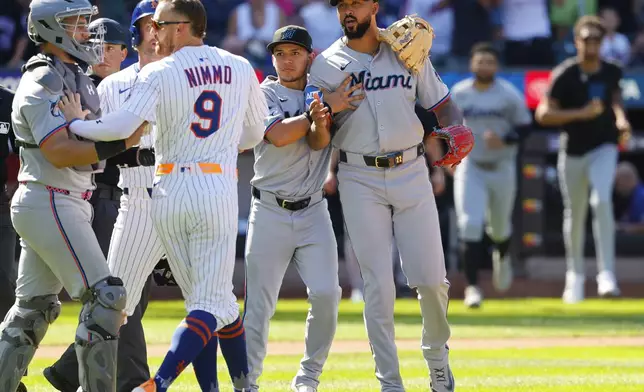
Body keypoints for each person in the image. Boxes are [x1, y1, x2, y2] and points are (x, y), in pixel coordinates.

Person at [56, 0, 268, 390]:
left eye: (162, 25)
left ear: (184, 27)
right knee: (210, 303)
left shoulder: (163, 71)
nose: (155, 32)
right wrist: (219, 146)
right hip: (211, 186)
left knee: (210, 303)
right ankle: (159, 383)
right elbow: (255, 134)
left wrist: (77, 125)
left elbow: (120, 125)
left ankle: (233, 387)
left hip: (168, 188)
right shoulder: (239, 66)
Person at [305, 0, 462, 390]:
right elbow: (318, 137)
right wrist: (322, 115)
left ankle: (437, 358)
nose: (348, 11)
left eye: (356, 2)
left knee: (430, 279)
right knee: (377, 285)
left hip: (410, 169)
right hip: (359, 175)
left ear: (374, 5)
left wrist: (455, 131)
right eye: (342, 5)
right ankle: (389, 381)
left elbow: (443, 105)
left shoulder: (406, 48)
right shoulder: (324, 64)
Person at [0, 0, 146, 390]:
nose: (87, 30)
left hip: (62, 199)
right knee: (107, 297)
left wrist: (90, 128)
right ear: (51, 28)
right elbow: (60, 151)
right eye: (77, 23)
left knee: (33, 309)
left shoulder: (72, 76)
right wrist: (118, 143)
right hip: (50, 196)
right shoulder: (42, 81)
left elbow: (85, 137)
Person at [42, 13, 156, 392]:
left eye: (109, 46)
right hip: (95, 199)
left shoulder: (134, 87)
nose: (101, 53)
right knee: (122, 295)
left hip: (132, 200)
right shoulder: (79, 86)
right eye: (94, 45)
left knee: (126, 295)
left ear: (126, 51)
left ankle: (67, 371)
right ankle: (133, 381)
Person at [243, 25, 341, 392]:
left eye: (294, 52)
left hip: (314, 209)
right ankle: (247, 382)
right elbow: (279, 135)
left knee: (327, 295)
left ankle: (308, 377)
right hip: (268, 209)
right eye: (280, 53)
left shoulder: (319, 91)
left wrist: (322, 114)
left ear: (309, 57)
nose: (286, 60)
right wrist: (326, 108)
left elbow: (319, 143)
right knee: (259, 306)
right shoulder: (263, 90)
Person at [535, 15, 631, 303]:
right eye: (586, 39)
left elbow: (615, 101)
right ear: (576, 41)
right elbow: (543, 114)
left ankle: (607, 275)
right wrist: (580, 114)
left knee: (601, 201)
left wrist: (622, 120)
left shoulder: (612, 70)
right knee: (574, 214)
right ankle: (574, 276)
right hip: (573, 150)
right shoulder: (565, 74)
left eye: (596, 39)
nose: (591, 44)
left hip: (604, 146)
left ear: (603, 42)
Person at [450, 42, 532, 308]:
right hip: (471, 165)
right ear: (472, 64)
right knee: (469, 225)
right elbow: (443, 127)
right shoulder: (460, 93)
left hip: (501, 165)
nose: (484, 66)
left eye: (489, 62)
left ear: (497, 66)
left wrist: (506, 138)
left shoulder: (508, 94)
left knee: (498, 227)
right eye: (480, 61)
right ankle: (473, 287)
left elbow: (525, 127)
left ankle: (502, 255)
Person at [0, 85, 27, 392]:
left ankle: (9, 372)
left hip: (1, 207)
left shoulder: (8, 100)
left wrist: (14, 183)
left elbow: (23, 149)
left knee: (4, 286)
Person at [614, 161, 644, 233]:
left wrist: (622, 228)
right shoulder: (632, 195)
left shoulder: (641, 196)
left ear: (626, 179)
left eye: (617, 182)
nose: (617, 188)